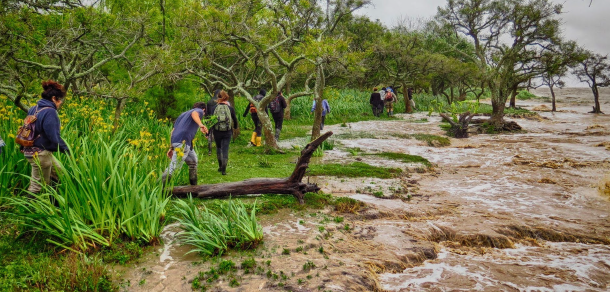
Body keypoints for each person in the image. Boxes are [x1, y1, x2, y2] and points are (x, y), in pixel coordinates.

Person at [22, 80, 69, 193]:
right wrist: (67, 150)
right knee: (37, 186)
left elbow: (26, 129)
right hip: (40, 154)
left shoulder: (34, 108)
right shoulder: (50, 112)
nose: (60, 103)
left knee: (58, 173)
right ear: (54, 98)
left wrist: (22, 147)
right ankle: (27, 209)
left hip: (30, 150)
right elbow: (54, 137)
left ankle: (56, 203)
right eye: (60, 100)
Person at [162, 102, 208, 186]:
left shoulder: (182, 115)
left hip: (177, 140)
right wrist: (201, 125)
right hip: (183, 141)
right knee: (173, 168)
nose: (202, 115)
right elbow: (195, 113)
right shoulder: (199, 111)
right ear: (204, 109)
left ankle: (194, 186)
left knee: (193, 162)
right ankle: (158, 189)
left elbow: (173, 131)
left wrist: (171, 147)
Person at [213, 90, 239, 175]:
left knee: (218, 147)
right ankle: (224, 170)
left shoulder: (215, 108)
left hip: (217, 131)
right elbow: (234, 119)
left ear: (218, 97)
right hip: (227, 131)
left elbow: (211, 120)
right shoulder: (230, 108)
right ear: (226, 97)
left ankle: (220, 166)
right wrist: (234, 127)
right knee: (225, 149)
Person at [205, 89, 221, 155]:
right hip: (217, 119)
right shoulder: (219, 101)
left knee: (209, 134)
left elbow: (207, 112)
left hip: (210, 119)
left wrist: (206, 120)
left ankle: (209, 151)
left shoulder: (209, 101)